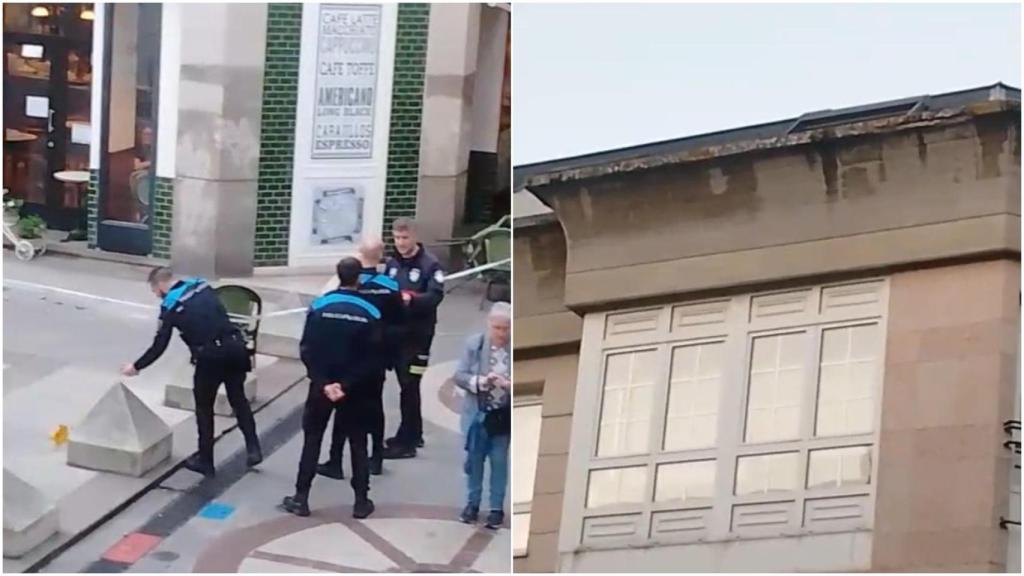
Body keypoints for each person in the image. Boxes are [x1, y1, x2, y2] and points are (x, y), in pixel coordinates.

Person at [121, 268, 262, 477]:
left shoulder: (170, 307)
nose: (155, 295)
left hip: (210, 358)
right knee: (238, 399)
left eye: (153, 290)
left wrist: (136, 366)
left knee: (204, 409)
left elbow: (160, 345)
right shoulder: (201, 285)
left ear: (159, 285)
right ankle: (253, 447)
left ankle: (205, 460)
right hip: (235, 348)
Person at [282, 257, 382, 519]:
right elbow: (372, 358)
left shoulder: (320, 306)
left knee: (312, 440)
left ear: (338, 275)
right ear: (359, 278)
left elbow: (307, 349)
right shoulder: (370, 312)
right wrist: (345, 384)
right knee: (358, 443)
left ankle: (301, 497)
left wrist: (324, 382)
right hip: (355, 389)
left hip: (321, 387)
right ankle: (361, 501)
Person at [317, 237, 405, 479]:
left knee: (341, 409)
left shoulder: (348, 282)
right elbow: (399, 322)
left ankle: (335, 459)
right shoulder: (389, 285)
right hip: (376, 359)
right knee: (374, 407)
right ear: (381, 255)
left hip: (346, 359)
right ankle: (375, 457)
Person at [381, 218, 445, 459]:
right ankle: (413, 432)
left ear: (415, 237)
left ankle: (406, 443)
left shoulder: (430, 265)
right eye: (396, 238)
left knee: (410, 385)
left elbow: (436, 296)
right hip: (397, 334)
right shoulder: (393, 263)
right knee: (404, 384)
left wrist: (412, 300)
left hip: (418, 337)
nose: (400, 243)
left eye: (405, 238)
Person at [454, 302, 511, 529]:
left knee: (498, 462)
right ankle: (472, 503)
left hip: (501, 416)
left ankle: (496, 507)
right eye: (496, 328)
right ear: (489, 325)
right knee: (474, 460)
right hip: (477, 415)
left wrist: (508, 385)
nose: (501, 333)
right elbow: (460, 375)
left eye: (505, 329)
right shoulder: (475, 345)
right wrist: (480, 382)